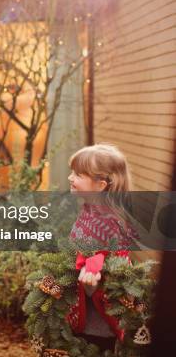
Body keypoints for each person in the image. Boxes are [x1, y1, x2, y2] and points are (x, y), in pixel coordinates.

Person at [67, 143, 138, 351]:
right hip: (79, 313)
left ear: (100, 185)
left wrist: (91, 283)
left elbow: (114, 277)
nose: (70, 178)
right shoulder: (89, 211)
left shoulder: (113, 226)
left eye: (78, 174)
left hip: (97, 326)